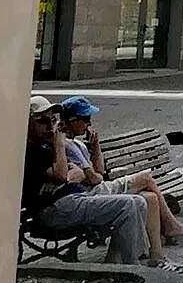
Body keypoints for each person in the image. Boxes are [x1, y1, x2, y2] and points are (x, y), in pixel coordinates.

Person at [55, 96, 183, 254]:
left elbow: (99, 171)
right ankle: (170, 226)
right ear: (72, 121)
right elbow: (96, 178)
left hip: (97, 189)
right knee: (145, 178)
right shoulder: (68, 145)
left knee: (150, 198)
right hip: (92, 193)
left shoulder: (78, 143)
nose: (90, 124)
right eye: (86, 119)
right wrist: (91, 174)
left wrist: (96, 148)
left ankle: (156, 255)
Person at [23, 100, 153, 264]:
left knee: (139, 202)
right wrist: (60, 144)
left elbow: (74, 173)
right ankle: (132, 265)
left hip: (74, 198)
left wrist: (68, 172)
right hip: (54, 209)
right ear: (27, 121)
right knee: (127, 205)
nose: (50, 126)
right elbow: (64, 176)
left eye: (52, 120)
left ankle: (115, 263)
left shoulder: (46, 146)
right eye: (43, 120)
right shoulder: (32, 149)